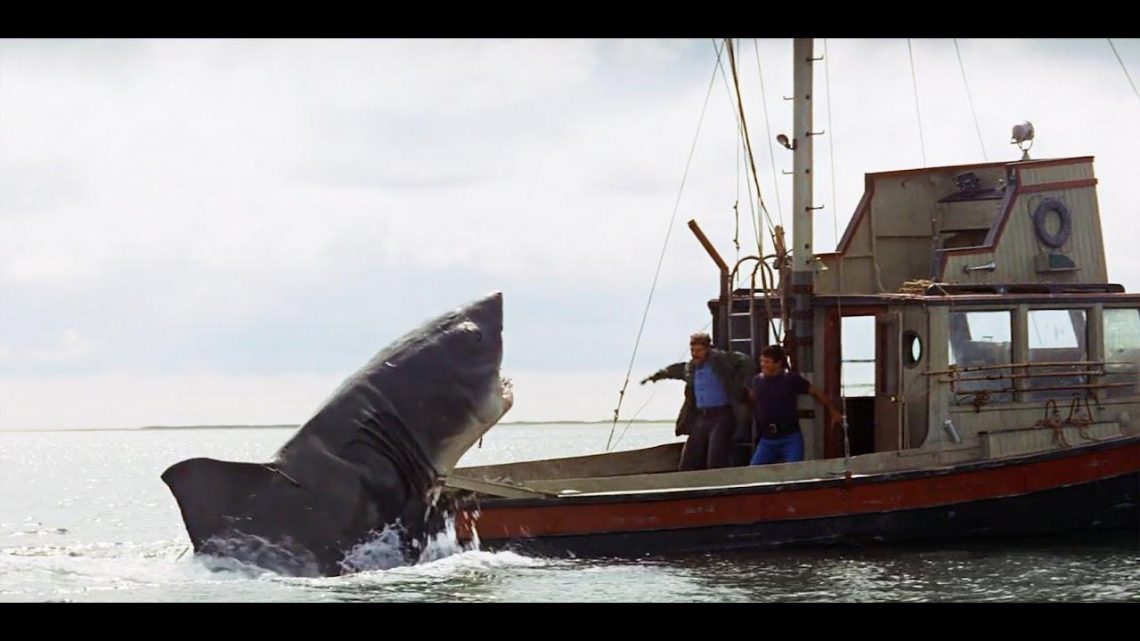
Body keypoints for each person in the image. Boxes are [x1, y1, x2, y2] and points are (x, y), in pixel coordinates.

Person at [641, 332, 755, 471]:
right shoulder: (692, 367)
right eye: (693, 350)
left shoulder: (720, 360)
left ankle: (719, 488)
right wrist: (657, 376)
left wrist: (742, 385)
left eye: (699, 350)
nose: (695, 354)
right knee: (688, 459)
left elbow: (746, 361)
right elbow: (674, 370)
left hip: (721, 415)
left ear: (708, 348)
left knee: (716, 458)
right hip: (701, 417)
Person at [748, 344, 842, 466]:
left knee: (795, 473)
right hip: (767, 440)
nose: (762, 365)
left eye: (767, 362)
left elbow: (815, 392)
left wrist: (832, 410)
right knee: (753, 471)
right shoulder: (757, 381)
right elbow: (754, 397)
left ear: (778, 364)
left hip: (789, 438)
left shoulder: (791, 380)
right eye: (761, 361)